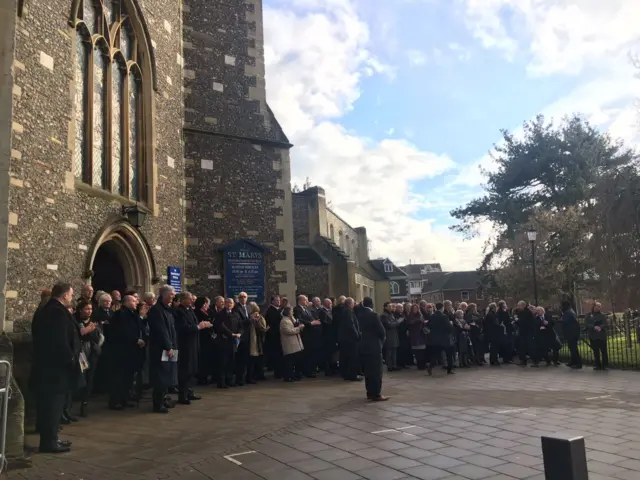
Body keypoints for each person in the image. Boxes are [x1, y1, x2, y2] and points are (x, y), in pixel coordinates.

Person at [32, 282, 79, 453]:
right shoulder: (55, 312)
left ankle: (52, 439)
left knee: (54, 405)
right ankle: (49, 442)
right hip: (54, 370)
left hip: (53, 369)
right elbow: (59, 341)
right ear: (65, 295)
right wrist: (71, 358)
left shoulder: (54, 310)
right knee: (52, 405)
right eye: (71, 295)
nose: (72, 298)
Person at [175, 292, 211, 404]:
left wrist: (202, 324)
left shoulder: (190, 310)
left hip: (193, 343)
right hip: (185, 344)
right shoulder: (179, 312)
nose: (192, 301)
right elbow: (183, 328)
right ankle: (182, 395)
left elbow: (194, 323)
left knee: (192, 369)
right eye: (189, 299)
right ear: (182, 300)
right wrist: (198, 327)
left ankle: (189, 392)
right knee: (185, 370)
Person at [108, 294, 144, 410]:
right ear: (126, 302)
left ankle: (125, 398)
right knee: (119, 377)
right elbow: (123, 331)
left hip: (132, 351)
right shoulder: (121, 314)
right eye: (134, 301)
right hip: (122, 351)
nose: (136, 303)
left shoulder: (133, 314)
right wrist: (135, 339)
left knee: (128, 377)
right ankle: (115, 401)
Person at [147, 285, 179, 413]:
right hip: (163, 348)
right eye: (171, 294)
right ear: (165, 295)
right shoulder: (157, 310)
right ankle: (158, 403)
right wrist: (169, 346)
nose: (173, 296)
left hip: (171, 346)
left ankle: (165, 399)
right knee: (161, 375)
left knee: (169, 374)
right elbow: (162, 330)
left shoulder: (168, 309)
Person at [358, 297, 388, 401]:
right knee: (376, 371)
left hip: (363, 346)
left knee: (368, 371)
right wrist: (382, 341)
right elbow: (381, 331)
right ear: (372, 304)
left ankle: (369, 392)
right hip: (374, 346)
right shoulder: (374, 315)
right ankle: (376, 393)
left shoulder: (359, 315)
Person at [76, 299, 102, 417]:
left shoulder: (94, 322)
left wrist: (97, 344)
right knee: (82, 376)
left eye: (91, 309)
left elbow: (99, 336)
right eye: (87, 309)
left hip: (92, 351)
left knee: (90, 376)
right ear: (81, 310)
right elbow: (79, 334)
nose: (89, 311)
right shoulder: (76, 321)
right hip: (81, 352)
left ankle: (85, 402)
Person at [213, 298, 242, 388]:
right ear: (225, 304)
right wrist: (231, 334)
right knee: (223, 362)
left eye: (231, 303)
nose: (229, 304)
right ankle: (221, 382)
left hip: (233, 342)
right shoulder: (220, 314)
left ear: (233, 305)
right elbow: (220, 326)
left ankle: (229, 380)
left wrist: (239, 333)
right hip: (223, 340)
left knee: (231, 361)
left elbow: (240, 325)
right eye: (227, 302)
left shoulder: (236, 314)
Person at [294, 295, 322, 378]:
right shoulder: (297, 309)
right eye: (305, 300)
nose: (307, 301)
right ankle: (306, 371)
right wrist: (310, 323)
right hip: (305, 334)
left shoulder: (306, 309)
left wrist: (315, 321)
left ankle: (310, 370)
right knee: (306, 354)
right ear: (301, 300)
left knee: (311, 353)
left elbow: (311, 318)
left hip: (311, 334)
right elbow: (299, 319)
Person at [426, 302, 454, 375]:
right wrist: (451, 327)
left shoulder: (432, 316)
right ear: (442, 308)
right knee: (449, 354)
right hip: (445, 338)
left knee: (436, 355)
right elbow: (449, 327)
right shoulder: (444, 316)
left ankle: (430, 367)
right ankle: (449, 369)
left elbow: (428, 325)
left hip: (435, 339)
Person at [338, 298, 362, 381]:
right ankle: (352, 375)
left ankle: (347, 374)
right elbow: (351, 325)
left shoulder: (345, 311)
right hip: (350, 339)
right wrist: (357, 335)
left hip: (345, 338)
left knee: (346, 357)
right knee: (352, 357)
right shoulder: (348, 311)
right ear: (350, 304)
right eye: (353, 303)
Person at [279, 306, 304, 382]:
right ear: (287, 312)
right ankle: (288, 376)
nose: (292, 312)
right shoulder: (284, 321)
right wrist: (298, 328)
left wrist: (298, 325)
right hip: (289, 344)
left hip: (295, 343)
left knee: (294, 361)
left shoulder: (291, 319)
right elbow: (288, 331)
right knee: (289, 362)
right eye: (291, 311)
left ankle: (293, 375)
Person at [232, 292, 251, 386]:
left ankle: (248, 377)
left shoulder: (248, 307)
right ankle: (240, 379)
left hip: (249, 335)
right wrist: (250, 320)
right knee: (241, 359)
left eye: (245, 297)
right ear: (239, 298)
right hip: (241, 336)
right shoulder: (236, 308)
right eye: (241, 297)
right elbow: (239, 322)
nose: (243, 298)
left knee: (247, 358)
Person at [247, 302, 267, 383]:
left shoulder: (258, 316)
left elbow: (262, 327)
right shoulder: (250, 316)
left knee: (257, 358)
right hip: (254, 339)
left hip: (257, 339)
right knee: (254, 359)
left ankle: (257, 374)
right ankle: (255, 375)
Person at [585, 302, 608, 371]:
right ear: (594, 307)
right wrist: (593, 327)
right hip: (593, 336)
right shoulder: (588, 315)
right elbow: (586, 324)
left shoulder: (602, 315)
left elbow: (606, 324)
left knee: (604, 351)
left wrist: (600, 327)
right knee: (596, 351)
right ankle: (598, 365)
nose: (599, 308)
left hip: (601, 336)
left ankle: (605, 365)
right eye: (597, 306)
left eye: (600, 306)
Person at [264, 295, 283, 378]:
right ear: (272, 301)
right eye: (276, 300)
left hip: (279, 335)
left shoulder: (279, 310)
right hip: (274, 336)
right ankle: (277, 372)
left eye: (279, 300)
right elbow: (273, 323)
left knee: (279, 354)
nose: (278, 302)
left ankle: (279, 371)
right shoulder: (270, 311)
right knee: (276, 354)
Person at [561, 300, 582, 369]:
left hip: (572, 333)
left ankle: (578, 363)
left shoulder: (568, 312)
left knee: (573, 348)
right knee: (572, 348)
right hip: (572, 332)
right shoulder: (570, 311)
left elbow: (563, 320)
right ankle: (573, 361)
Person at [380, 302, 400, 372]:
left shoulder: (391, 314)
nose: (391, 307)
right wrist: (398, 322)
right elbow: (388, 325)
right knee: (389, 352)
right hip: (389, 335)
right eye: (389, 306)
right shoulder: (384, 315)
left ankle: (394, 365)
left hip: (394, 335)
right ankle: (389, 366)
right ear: (385, 307)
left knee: (394, 351)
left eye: (391, 306)